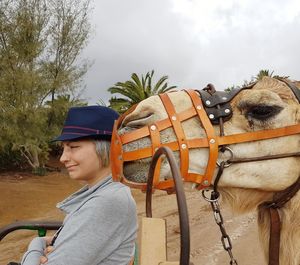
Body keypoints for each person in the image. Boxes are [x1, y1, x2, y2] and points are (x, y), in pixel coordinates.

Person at [20, 106, 138, 265]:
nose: (63, 158)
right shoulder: (103, 193)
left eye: (73, 147)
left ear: (108, 149)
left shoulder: (107, 202)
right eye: (63, 149)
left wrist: (36, 244)